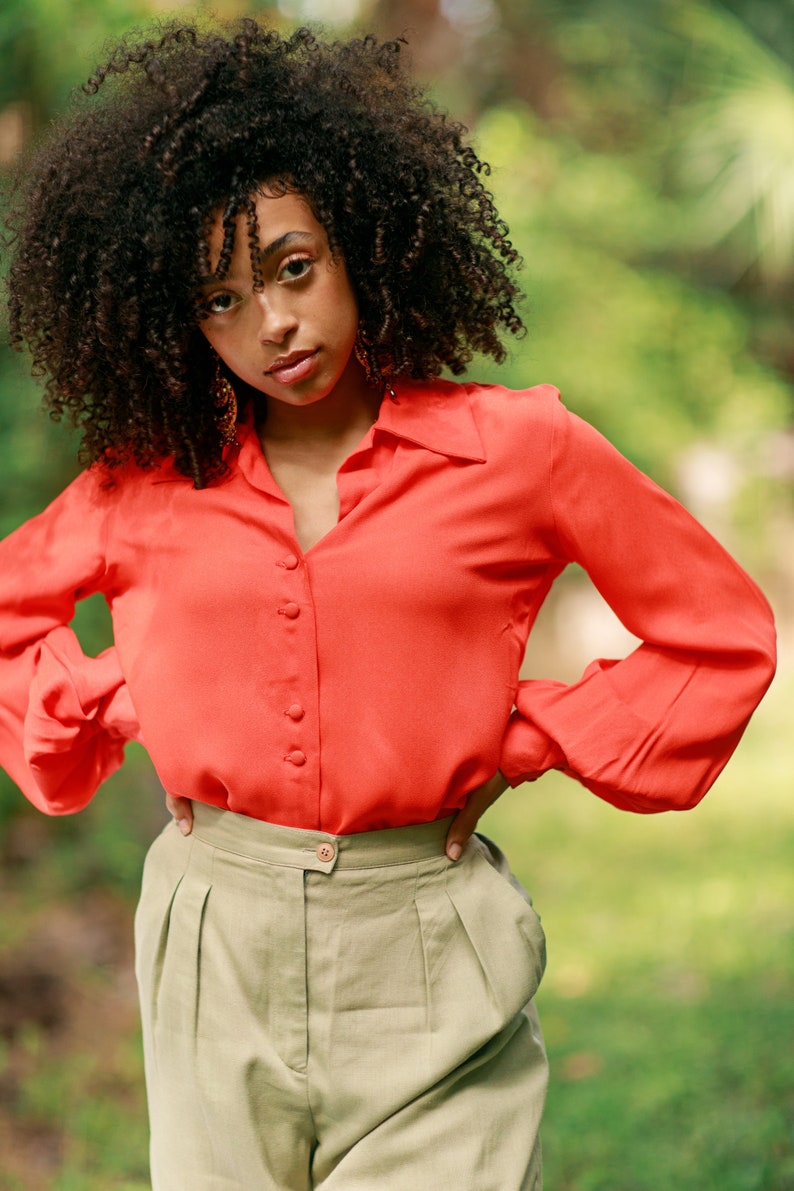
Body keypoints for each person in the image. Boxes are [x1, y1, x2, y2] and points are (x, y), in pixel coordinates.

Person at [0, 19, 776, 1191]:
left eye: (292, 267)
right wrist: (113, 694)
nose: (269, 324)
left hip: (429, 938)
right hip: (212, 941)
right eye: (219, 299)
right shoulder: (143, 485)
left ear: (360, 241)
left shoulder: (517, 452)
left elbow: (716, 636)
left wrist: (529, 736)